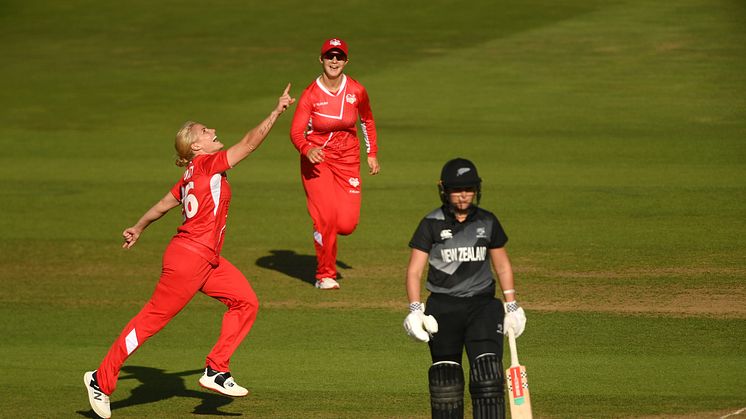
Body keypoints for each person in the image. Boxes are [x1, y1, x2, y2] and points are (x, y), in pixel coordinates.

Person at [83, 85, 295, 419]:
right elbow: (250, 143)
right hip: (188, 259)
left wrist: (138, 227)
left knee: (245, 302)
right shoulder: (208, 164)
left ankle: (215, 370)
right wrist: (276, 112)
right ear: (196, 145)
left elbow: (162, 206)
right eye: (205, 130)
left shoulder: (189, 175)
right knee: (149, 322)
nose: (212, 130)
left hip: (207, 259)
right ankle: (100, 378)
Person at [403, 158, 527, 419]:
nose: (463, 196)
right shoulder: (431, 223)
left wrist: (512, 305)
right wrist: (415, 310)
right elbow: (414, 271)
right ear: (444, 191)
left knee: (488, 377)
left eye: (468, 189)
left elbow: (502, 266)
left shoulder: (488, 221)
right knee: (446, 382)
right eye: (457, 190)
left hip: (483, 307)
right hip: (443, 309)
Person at [289, 37, 380, 290]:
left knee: (347, 225)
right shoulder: (310, 94)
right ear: (321, 59)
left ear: (346, 61)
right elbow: (296, 133)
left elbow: (367, 121)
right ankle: (324, 275)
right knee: (325, 217)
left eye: (339, 56)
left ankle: (326, 234)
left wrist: (372, 153)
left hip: (348, 160)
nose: (334, 61)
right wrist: (308, 149)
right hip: (317, 162)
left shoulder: (357, 91)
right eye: (330, 56)